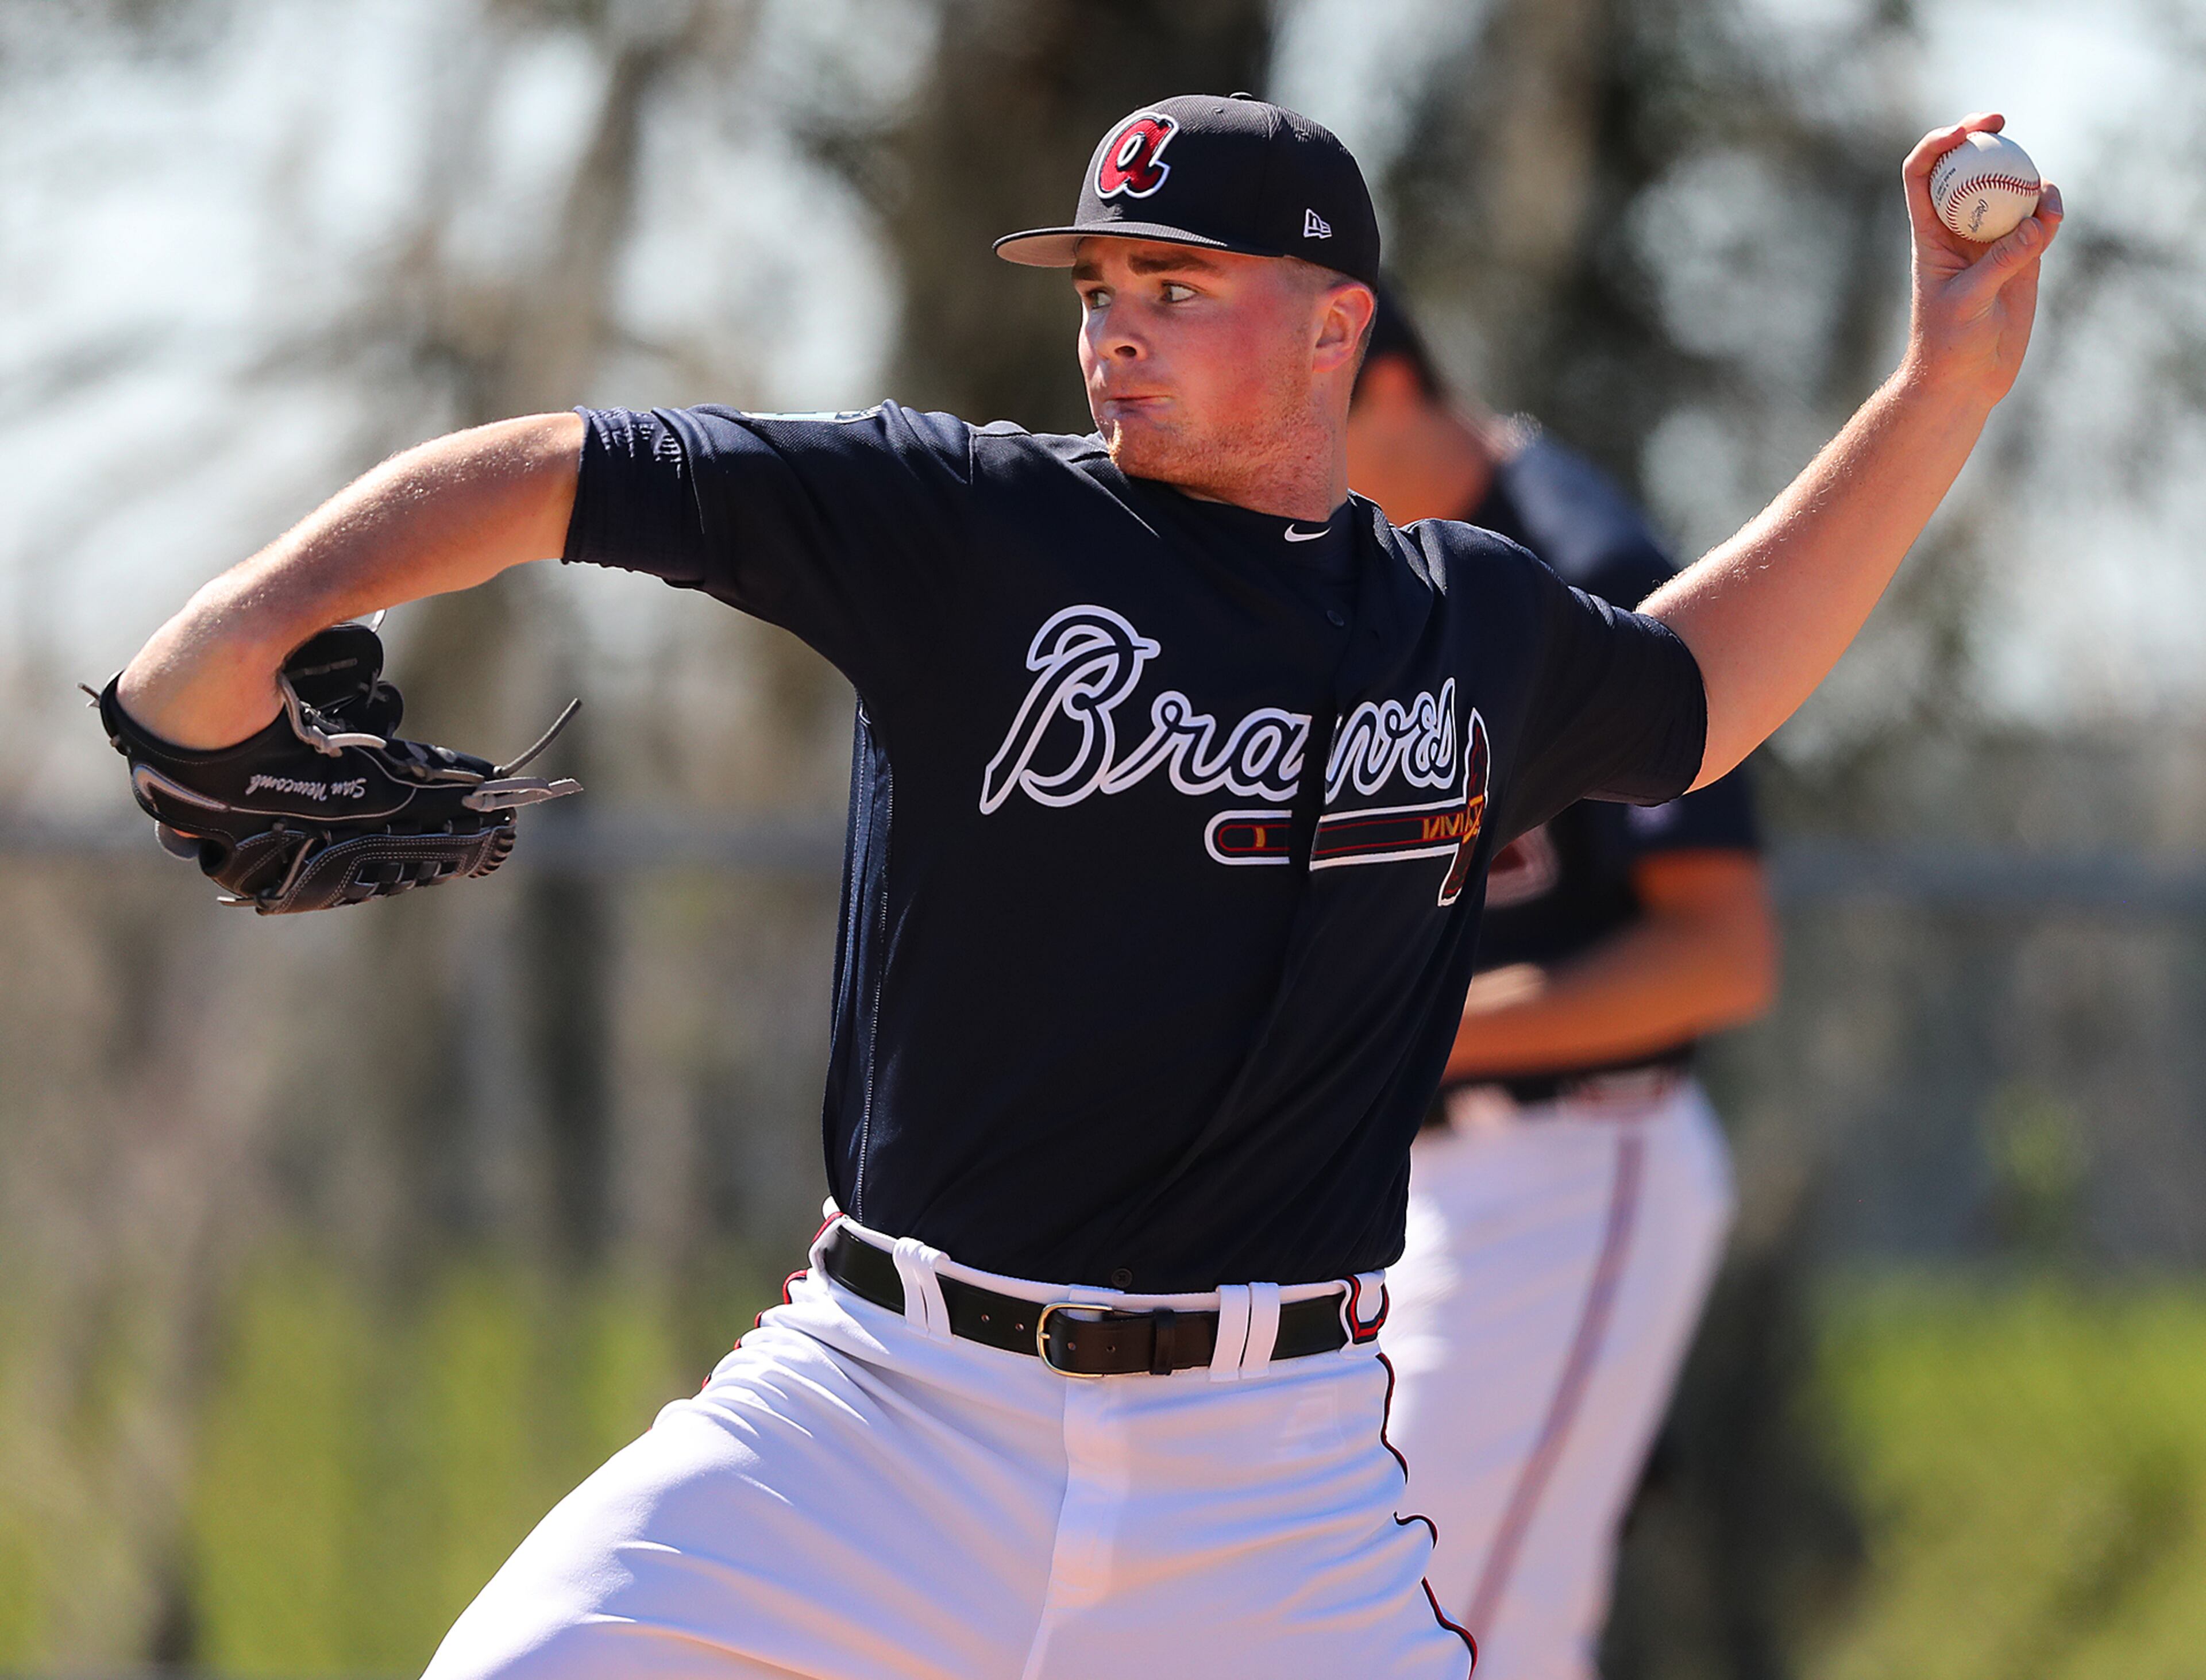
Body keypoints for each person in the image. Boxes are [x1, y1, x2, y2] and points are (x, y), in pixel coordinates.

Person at [109, 91, 2057, 1680]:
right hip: (883, 1414)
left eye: (1176, 281)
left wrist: (1945, 390)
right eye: (1099, 281)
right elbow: (559, 466)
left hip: (1272, 1478)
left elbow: (1708, 685)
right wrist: (240, 625)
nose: (1113, 320)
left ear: (1333, 324)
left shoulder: (1472, 625)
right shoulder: (969, 525)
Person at [1347, 287, 1776, 1678]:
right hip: (1404, 1194)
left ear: (1392, 388)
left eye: (1309, 421)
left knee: (1444, 1625)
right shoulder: (1348, 582)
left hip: (1574, 1164)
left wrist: (1405, 1035)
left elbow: (1720, 949)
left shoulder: (1595, 566)